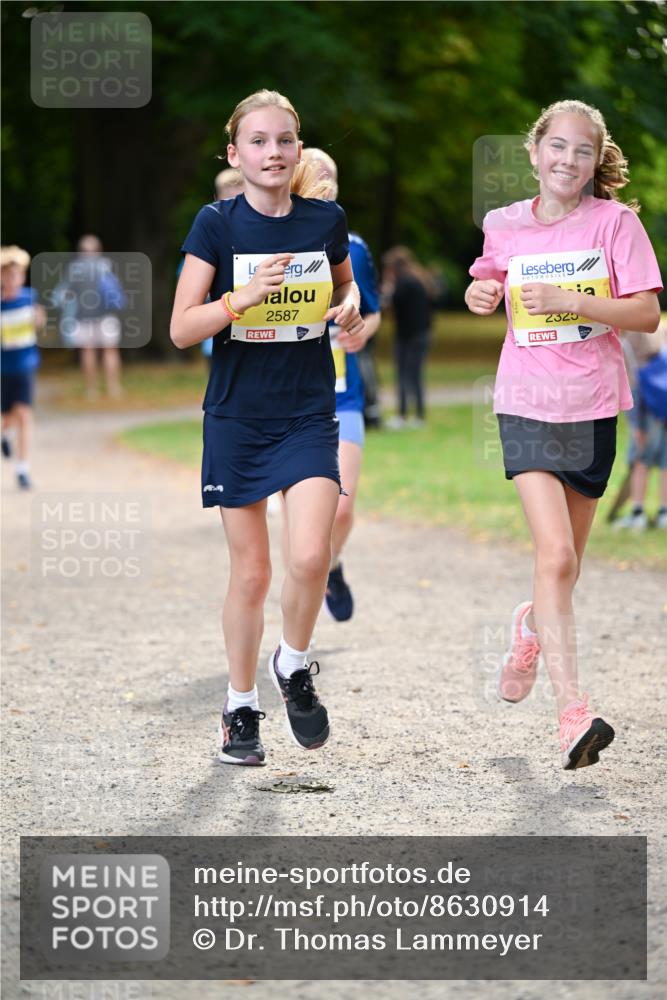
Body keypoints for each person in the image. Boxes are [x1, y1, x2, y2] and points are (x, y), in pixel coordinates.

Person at [466, 99, 662, 769]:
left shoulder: (615, 224)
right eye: (557, 147)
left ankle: (528, 630)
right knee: (553, 556)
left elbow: (642, 313)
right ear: (534, 150)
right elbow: (486, 281)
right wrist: (480, 297)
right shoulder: (503, 224)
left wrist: (576, 301)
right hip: (524, 401)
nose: (567, 160)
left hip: (592, 406)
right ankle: (571, 714)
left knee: (566, 567)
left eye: (582, 151)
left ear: (593, 160)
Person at [171, 90, 364, 765]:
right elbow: (179, 326)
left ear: (298, 149)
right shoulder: (215, 225)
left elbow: (347, 292)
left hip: (307, 412)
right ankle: (240, 707)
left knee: (311, 556)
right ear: (235, 154)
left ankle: (294, 663)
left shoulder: (325, 218)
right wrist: (238, 299)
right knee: (251, 574)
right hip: (237, 417)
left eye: (284, 140)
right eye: (257, 141)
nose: (272, 152)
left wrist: (352, 315)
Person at [290, 148, 381, 621]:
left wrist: (363, 329)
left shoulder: (355, 247)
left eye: (332, 175)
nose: (323, 181)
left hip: (342, 393)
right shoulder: (270, 242)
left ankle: (333, 564)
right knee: (301, 522)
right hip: (286, 397)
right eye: (315, 173)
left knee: (341, 511)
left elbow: (373, 311)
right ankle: (300, 615)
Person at [56, 235, 125, 400]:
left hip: (83, 316)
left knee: (88, 351)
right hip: (107, 315)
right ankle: (113, 388)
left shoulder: (75, 268)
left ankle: (91, 390)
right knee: (110, 351)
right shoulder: (106, 265)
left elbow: (63, 294)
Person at [614, 322, 667, 530]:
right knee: (665, 461)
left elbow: (632, 385)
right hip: (663, 406)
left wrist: (635, 425)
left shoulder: (627, 341)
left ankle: (638, 512)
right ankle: (664, 512)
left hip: (645, 409)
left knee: (639, 460)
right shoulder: (661, 329)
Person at [1, 245, 44, 490]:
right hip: (3, 369)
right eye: (6, 275)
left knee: (25, 416)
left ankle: (22, 469)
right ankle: (4, 435)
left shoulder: (30, 297)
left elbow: (39, 321)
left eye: (15, 274)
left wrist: (38, 318)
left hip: (25, 365)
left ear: (22, 276)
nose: (11, 280)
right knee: (7, 417)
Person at [382, 245, 435, 429]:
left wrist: (388, 287)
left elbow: (389, 304)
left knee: (404, 375)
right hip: (422, 333)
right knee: (416, 376)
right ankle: (419, 416)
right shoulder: (418, 279)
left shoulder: (403, 283)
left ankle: (403, 415)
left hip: (407, 336)